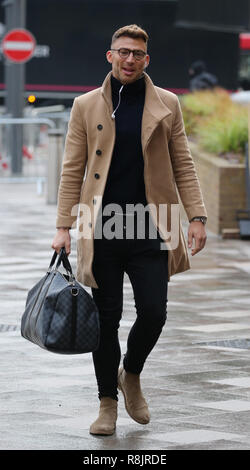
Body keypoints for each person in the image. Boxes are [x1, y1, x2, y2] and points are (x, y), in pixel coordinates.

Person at [52, 24, 207, 436]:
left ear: (146, 60)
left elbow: (184, 164)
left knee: (154, 312)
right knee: (105, 320)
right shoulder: (85, 105)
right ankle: (107, 404)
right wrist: (63, 226)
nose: (129, 59)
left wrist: (197, 216)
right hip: (101, 227)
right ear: (110, 56)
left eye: (137, 54)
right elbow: (72, 169)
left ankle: (131, 373)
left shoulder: (167, 103)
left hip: (152, 225)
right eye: (122, 52)